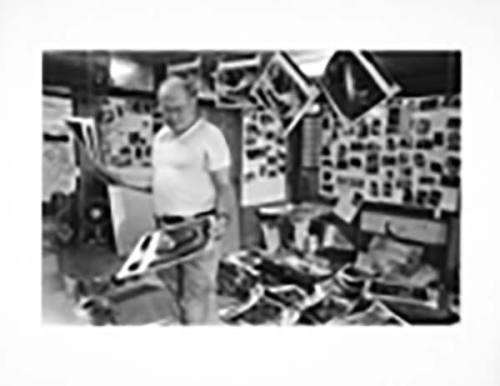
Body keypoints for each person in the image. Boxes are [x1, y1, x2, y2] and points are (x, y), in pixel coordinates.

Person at [89, 75, 236, 325]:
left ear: (193, 100)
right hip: (165, 229)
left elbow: (224, 185)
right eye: (166, 110)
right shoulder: (161, 138)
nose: (172, 116)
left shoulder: (210, 136)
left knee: (196, 294)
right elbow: (157, 181)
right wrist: (117, 177)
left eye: (178, 109)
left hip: (198, 228)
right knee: (171, 288)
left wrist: (223, 217)